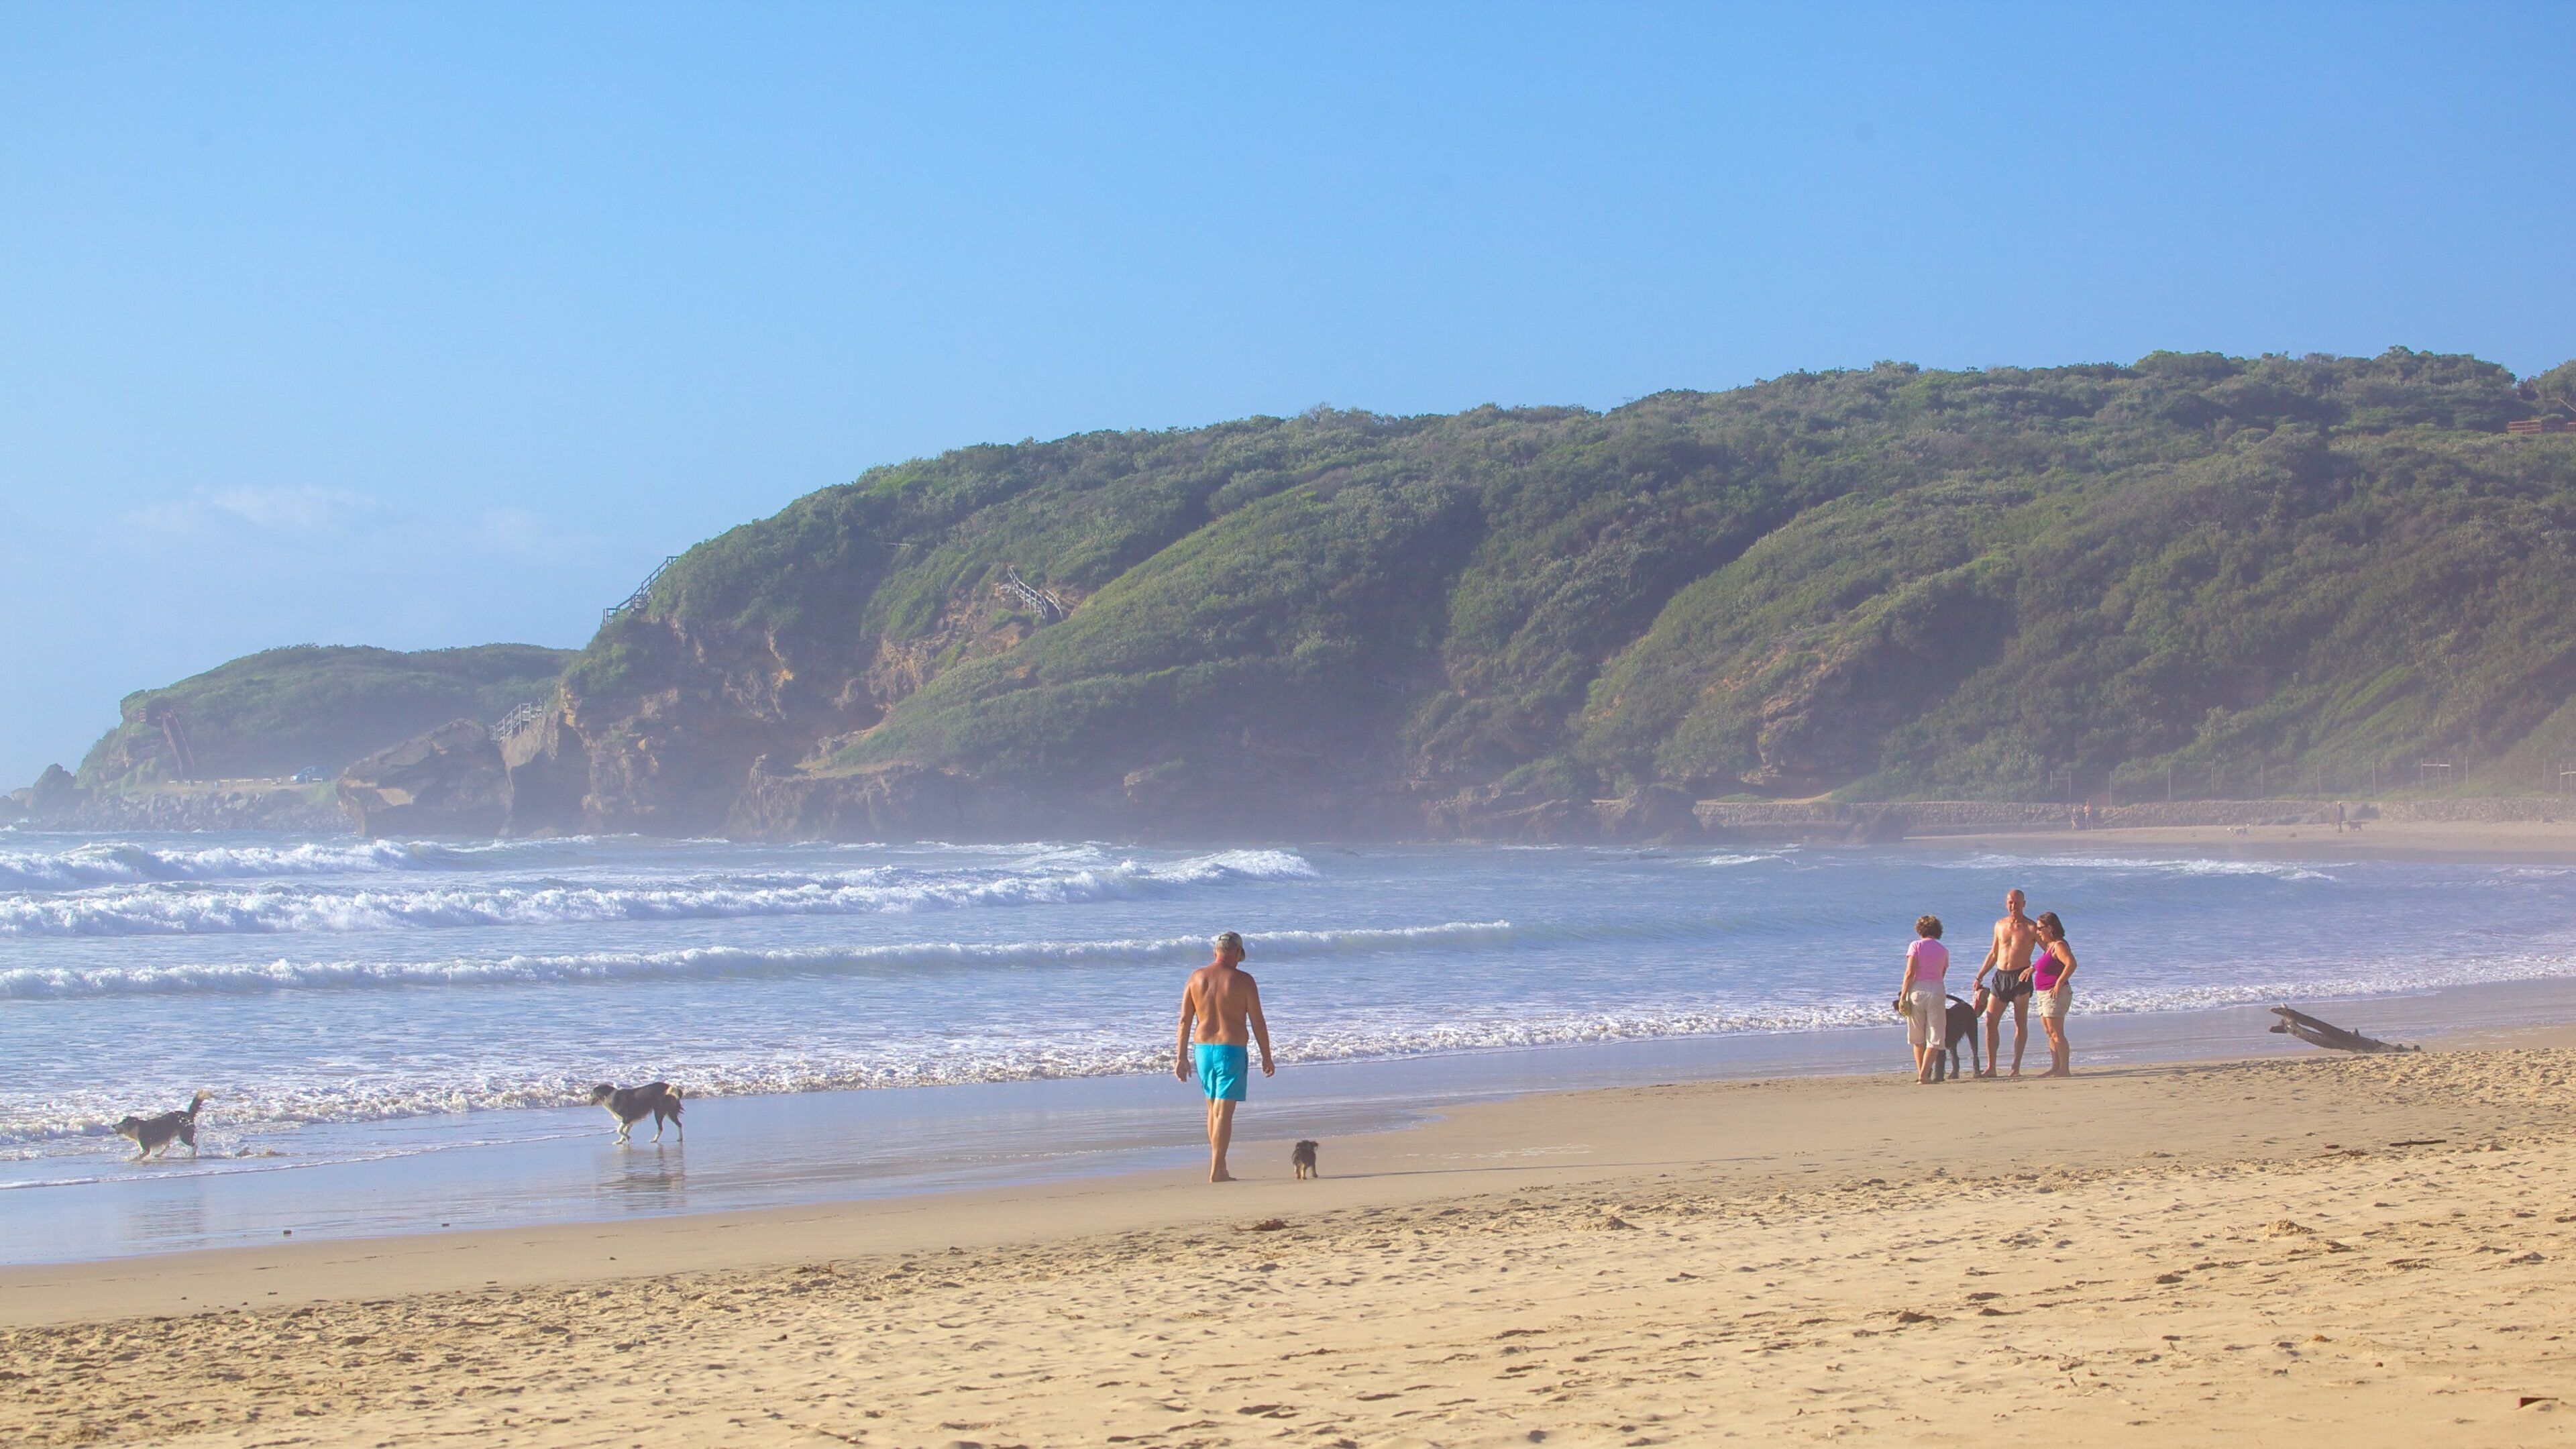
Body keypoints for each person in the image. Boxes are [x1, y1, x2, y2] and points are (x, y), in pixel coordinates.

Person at [1175, 930, 1275, 1182]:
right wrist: (1267, 1056)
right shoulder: (1244, 981)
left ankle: (1221, 1166)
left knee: (1212, 1110)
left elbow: (1184, 1020)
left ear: (1215, 952)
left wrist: (1181, 1057)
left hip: (1203, 1051)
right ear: (1239, 954)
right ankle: (1217, 1170)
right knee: (1224, 1113)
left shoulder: (1196, 978)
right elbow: (1258, 1022)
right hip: (1231, 1050)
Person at [1972, 888, 2039, 1078]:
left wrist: (2033, 968)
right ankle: (1991, 1067)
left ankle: (2015, 1067)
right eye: (2010, 902)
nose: (2013, 906)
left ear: (2024, 904)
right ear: (2006, 903)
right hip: (2000, 977)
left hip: (2021, 978)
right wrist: (1980, 976)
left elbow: (2050, 951)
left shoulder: (2032, 927)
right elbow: (1994, 953)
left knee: (2020, 1022)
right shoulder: (2000, 925)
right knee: (1991, 1021)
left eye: (2017, 902)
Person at [1896, 915, 1950, 1085]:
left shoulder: (1915, 946)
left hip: (1917, 990)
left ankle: (1923, 1075)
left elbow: (1909, 973)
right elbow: (1942, 974)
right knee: (1935, 1036)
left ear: (1920, 930)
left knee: (1917, 1037)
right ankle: (1924, 1075)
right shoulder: (1943, 950)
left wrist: (1903, 995)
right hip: (1936, 989)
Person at [2031, 911, 2080, 1077]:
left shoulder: (2059, 945)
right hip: (2044, 994)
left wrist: (2059, 983)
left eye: (2040, 928)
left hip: (2056, 994)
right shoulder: (2050, 946)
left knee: (2057, 1032)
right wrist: (2032, 968)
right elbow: (2046, 964)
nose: (2037, 932)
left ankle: (2064, 1069)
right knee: (2049, 1031)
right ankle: (2055, 1067)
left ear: (2050, 928)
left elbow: (2071, 964)